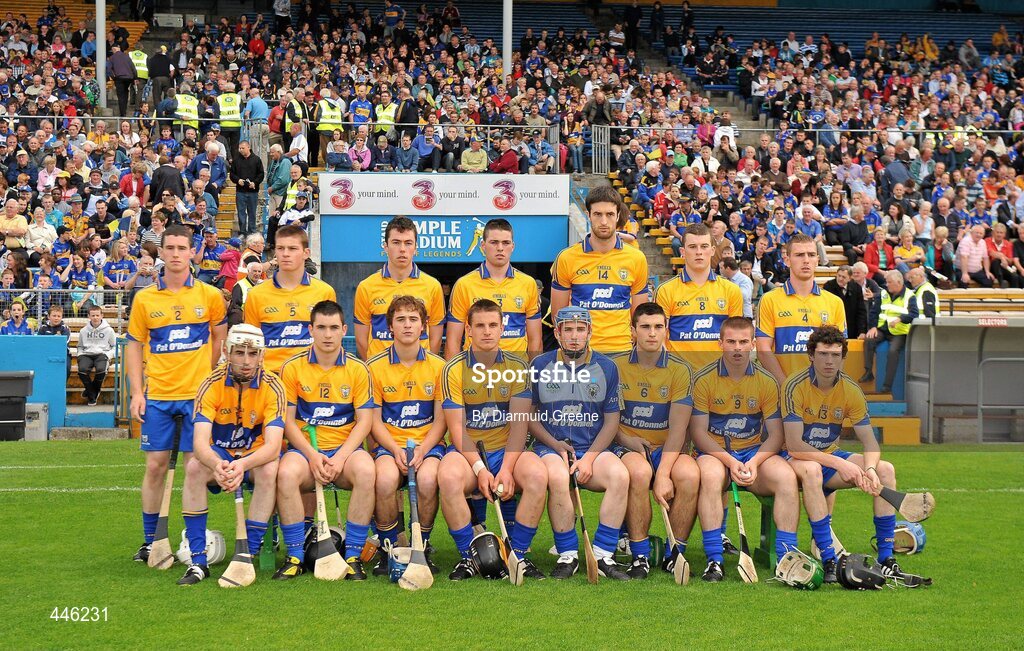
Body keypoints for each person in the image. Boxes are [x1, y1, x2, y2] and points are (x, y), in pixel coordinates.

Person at [126, 225, 227, 563]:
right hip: (159, 397)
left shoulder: (209, 295)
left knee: (195, 467)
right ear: (162, 252)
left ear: (190, 251)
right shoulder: (146, 298)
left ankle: (192, 537)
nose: (175, 254)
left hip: (197, 398)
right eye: (169, 248)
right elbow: (134, 346)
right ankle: (150, 540)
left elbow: (218, 337)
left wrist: (207, 376)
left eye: (182, 248)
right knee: (155, 466)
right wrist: (137, 392)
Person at [784, 325, 913, 583]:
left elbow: (870, 443)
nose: (829, 361)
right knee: (811, 470)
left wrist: (872, 469)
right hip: (793, 460)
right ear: (811, 355)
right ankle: (829, 557)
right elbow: (794, 445)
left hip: (829, 456)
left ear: (843, 357)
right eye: (823, 354)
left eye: (835, 355)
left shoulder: (851, 389)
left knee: (886, 469)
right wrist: (839, 464)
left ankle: (886, 558)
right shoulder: (794, 385)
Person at [438, 298, 548, 580]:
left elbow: (519, 425)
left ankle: (518, 555)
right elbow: (457, 429)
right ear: (468, 330)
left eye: (493, 325)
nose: (487, 331)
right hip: (468, 453)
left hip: (507, 450)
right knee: (448, 477)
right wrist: (481, 470)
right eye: (480, 325)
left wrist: (507, 470)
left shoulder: (518, 366)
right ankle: (470, 557)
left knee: (536, 474)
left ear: (502, 328)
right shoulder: (453, 369)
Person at [690, 317, 799, 582]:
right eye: (731, 342)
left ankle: (786, 557)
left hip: (754, 452)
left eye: (743, 342)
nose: (737, 348)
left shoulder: (766, 381)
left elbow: (776, 434)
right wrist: (729, 461)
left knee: (786, 477)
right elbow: (698, 433)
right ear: (720, 343)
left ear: (752, 344)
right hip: (716, 453)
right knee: (711, 475)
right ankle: (714, 559)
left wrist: (755, 462)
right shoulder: (704, 380)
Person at [176, 323, 285, 585]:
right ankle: (198, 560)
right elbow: (200, 443)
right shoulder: (210, 383)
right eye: (239, 353)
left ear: (262, 356)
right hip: (220, 453)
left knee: (270, 469)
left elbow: (272, 446)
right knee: (192, 467)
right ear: (227, 351)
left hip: (255, 456)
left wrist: (242, 465)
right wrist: (218, 464)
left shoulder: (274, 386)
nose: (246, 362)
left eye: (252, 354)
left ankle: (247, 551)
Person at [274, 300, 376, 580]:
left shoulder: (358, 369)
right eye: (321, 327)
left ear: (344, 330)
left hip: (345, 451)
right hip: (307, 451)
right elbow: (287, 420)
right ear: (311, 329)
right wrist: (311, 455)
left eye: (333, 328)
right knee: (285, 474)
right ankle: (295, 555)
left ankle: (353, 555)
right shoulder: (292, 367)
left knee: (367, 470)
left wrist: (341, 457)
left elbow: (364, 421)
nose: (327, 335)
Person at [528, 306, 632, 580]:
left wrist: (588, 459)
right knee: (558, 476)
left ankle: (602, 554)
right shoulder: (539, 365)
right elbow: (529, 417)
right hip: (551, 447)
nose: (575, 336)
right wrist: (555, 444)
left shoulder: (607, 367)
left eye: (580, 329)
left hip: (593, 449)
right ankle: (568, 554)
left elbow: (612, 422)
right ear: (558, 333)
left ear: (590, 332)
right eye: (568, 330)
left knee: (621, 475)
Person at [611, 302, 700, 579]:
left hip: (667, 448)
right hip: (626, 445)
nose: (652, 333)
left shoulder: (680, 370)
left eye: (658, 327)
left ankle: (676, 553)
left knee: (689, 474)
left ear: (666, 331)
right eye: (645, 327)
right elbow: (606, 420)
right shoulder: (614, 366)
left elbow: (678, 429)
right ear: (633, 331)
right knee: (639, 472)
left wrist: (663, 474)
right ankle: (640, 555)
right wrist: (627, 439)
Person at [367, 295, 448, 575]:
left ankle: (420, 547)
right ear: (390, 326)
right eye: (400, 319)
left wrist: (423, 450)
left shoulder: (439, 367)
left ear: (424, 325)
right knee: (386, 479)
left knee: (427, 480)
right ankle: (391, 548)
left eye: (413, 319)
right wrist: (395, 449)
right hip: (391, 445)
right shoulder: (374, 367)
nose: (407, 325)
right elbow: (374, 421)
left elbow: (441, 421)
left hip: (428, 445)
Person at [551, 186, 648, 355]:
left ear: (618, 216)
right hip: (581, 353)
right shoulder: (567, 257)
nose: (604, 221)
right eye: (597, 214)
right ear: (588, 215)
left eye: (610, 214)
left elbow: (639, 317)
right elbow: (558, 315)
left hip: (622, 351)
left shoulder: (636, 258)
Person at [243, 225, 336, 375]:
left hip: (311, 376)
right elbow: (251, 344)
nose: (285, 254)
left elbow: (330, 341)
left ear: (306, 253)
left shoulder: (324, 292)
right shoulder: (256, 295)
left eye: (292, 249)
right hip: (270, 378)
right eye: (280, 248)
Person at [756, 233, 847, 385]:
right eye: (799, 255)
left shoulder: (834, 302)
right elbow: (763, 349)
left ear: (817, 260)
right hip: (782, 392)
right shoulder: (769, 300)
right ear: (787, 260)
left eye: (811, 255)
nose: (806, 260)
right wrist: (786, 386)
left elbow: (840, 351)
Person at [445, 219, 542, 359]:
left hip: (516, 373)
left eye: (506, 243)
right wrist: (453, 375)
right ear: (483, 246)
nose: (500, 248)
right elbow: (453, 341)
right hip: (476, 371)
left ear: (513, 246)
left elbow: (535, 341)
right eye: (494, 242)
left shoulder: (528, 284)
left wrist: (534, 376)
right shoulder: (464, 284)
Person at [353, 216, 445, 360]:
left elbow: (436, 339)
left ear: (415, 248)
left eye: (408, 243)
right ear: (385, 246)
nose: (402, 249)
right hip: (380, 374)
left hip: (420, 373)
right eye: (396, 242)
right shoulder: (366, 287)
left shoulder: (432, 286)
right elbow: (361, 340)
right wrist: (377, 367)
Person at [656, 223, 744, 369]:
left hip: (717, 378)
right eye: (692, 247)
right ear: (682, 251)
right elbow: (659, 340)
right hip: (679, 378)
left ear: (712, 250)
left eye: (704, 246)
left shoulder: (731, 290)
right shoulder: (666, 291)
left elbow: (735, 339)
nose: (699, 252)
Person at [861, 270, 919, 393]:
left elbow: (914, 314)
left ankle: (887, 386)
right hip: (883, 329)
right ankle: (868, 372)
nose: (887, 285)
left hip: (899, 332)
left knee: (893, 352)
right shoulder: (883, 294)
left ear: (898, 282)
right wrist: (872, 327)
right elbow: (874, 313)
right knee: (869, 339)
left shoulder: (910, 296)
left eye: (889, 282)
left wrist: (900, 319)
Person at [76, 304, 117, 406]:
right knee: (82, 371)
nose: (95, 318)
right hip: (86, 354)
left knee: (101, 370)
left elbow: (115, 346)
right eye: (93, 315)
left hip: (102, 354)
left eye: (97, 315)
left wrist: (108, 355)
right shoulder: (83, 331)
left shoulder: (109, 330)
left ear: (102, 316)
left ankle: (91, 393)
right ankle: (93, 392)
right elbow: (80, 346)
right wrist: (80, 354)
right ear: (89, 316)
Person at [823, 265, 868, 339]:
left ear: (850, 278)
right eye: (839, 276)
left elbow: (861, 311)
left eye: (843, 277)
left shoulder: (856, 288)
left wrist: (862, 331)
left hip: (851, 328)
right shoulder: (828, 286)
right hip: (833, 328)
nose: (840, 279)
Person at [229, 141, 264, 236]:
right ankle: (242, 231)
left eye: (242, 148)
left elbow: (261, 174)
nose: (240, 150)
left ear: (248, 147)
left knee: (252, 212)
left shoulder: (256, 159)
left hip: (253, 192)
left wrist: (255, 183)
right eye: (239, 148)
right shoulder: (236, 160)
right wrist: (237, 180)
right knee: (241, 213)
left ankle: (252, 231)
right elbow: (232, 174)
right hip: (240, 191)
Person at [956, 224, 995, 288]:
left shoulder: (983, 242)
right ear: (971, 233)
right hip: (962, 270)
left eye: (981, 233)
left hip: (977, 271)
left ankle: (981, 297)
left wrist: (987, 271)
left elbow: (985, 258)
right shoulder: (965, 241)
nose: (979, 235)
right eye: (977, 233)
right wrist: (965, 273)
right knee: (964, 282)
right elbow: (964, 257)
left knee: (989, 281)